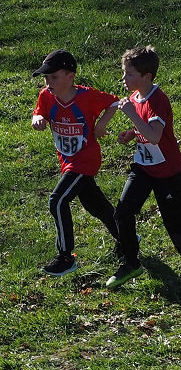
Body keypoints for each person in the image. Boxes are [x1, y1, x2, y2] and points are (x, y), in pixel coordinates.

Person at [105, 46, 181, 288]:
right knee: (123, 212)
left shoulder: (158, 100)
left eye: (129, 74)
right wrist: (132, 133)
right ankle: (131, 262)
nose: (124, 78)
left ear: (147, 77)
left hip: (168, 172)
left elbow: (154, 136)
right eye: (124, 72)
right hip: (143, 167)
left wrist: (132, 116)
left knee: (174, 221)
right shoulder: (135, 98)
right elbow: (144, 130)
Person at [30, 49, 121, 276]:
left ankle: (66, 257)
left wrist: (101, 125)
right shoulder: (46, 96)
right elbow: (39, 112)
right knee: (94, 204)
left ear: (70, 77)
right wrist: (37, 118)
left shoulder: (86, 96)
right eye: (46, 78)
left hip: (85, 160)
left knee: (57, 200)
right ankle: (126, 237)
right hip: (67, 161)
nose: (48, 82)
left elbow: (114, 102)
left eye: (54, 77)